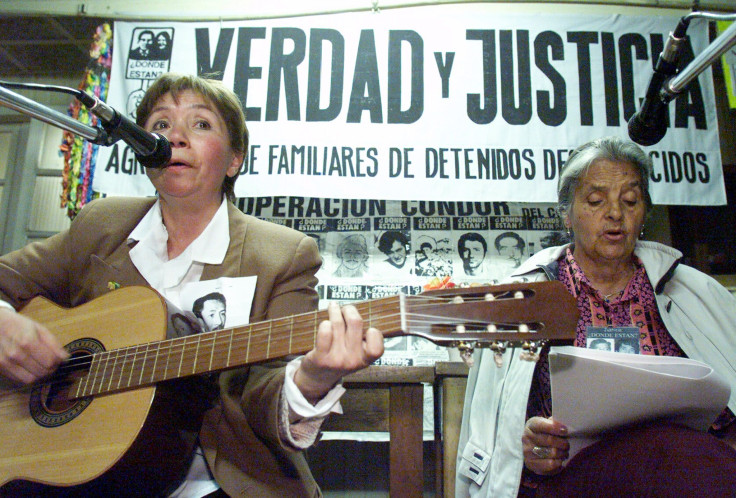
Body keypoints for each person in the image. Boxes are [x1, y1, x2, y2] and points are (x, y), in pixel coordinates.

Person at [0, 73, 384, 497]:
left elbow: (264, 395)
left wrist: (312, 378)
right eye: (161, 125)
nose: (175, 137)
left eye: (201, 124)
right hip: (81, 472)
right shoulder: (101, 224)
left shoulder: (283, 254)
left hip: (223, 481)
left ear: (234, 159)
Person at [456, 136, 736, 497]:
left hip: (679, 474)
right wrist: (528, 448)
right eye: (595, 200)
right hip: (571, 480)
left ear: (644, 213)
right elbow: (492, 436)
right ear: (567, 214)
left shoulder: (695, 293)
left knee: (678, 455)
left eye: (630, 201)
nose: (615, 213)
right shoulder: (523, 297)